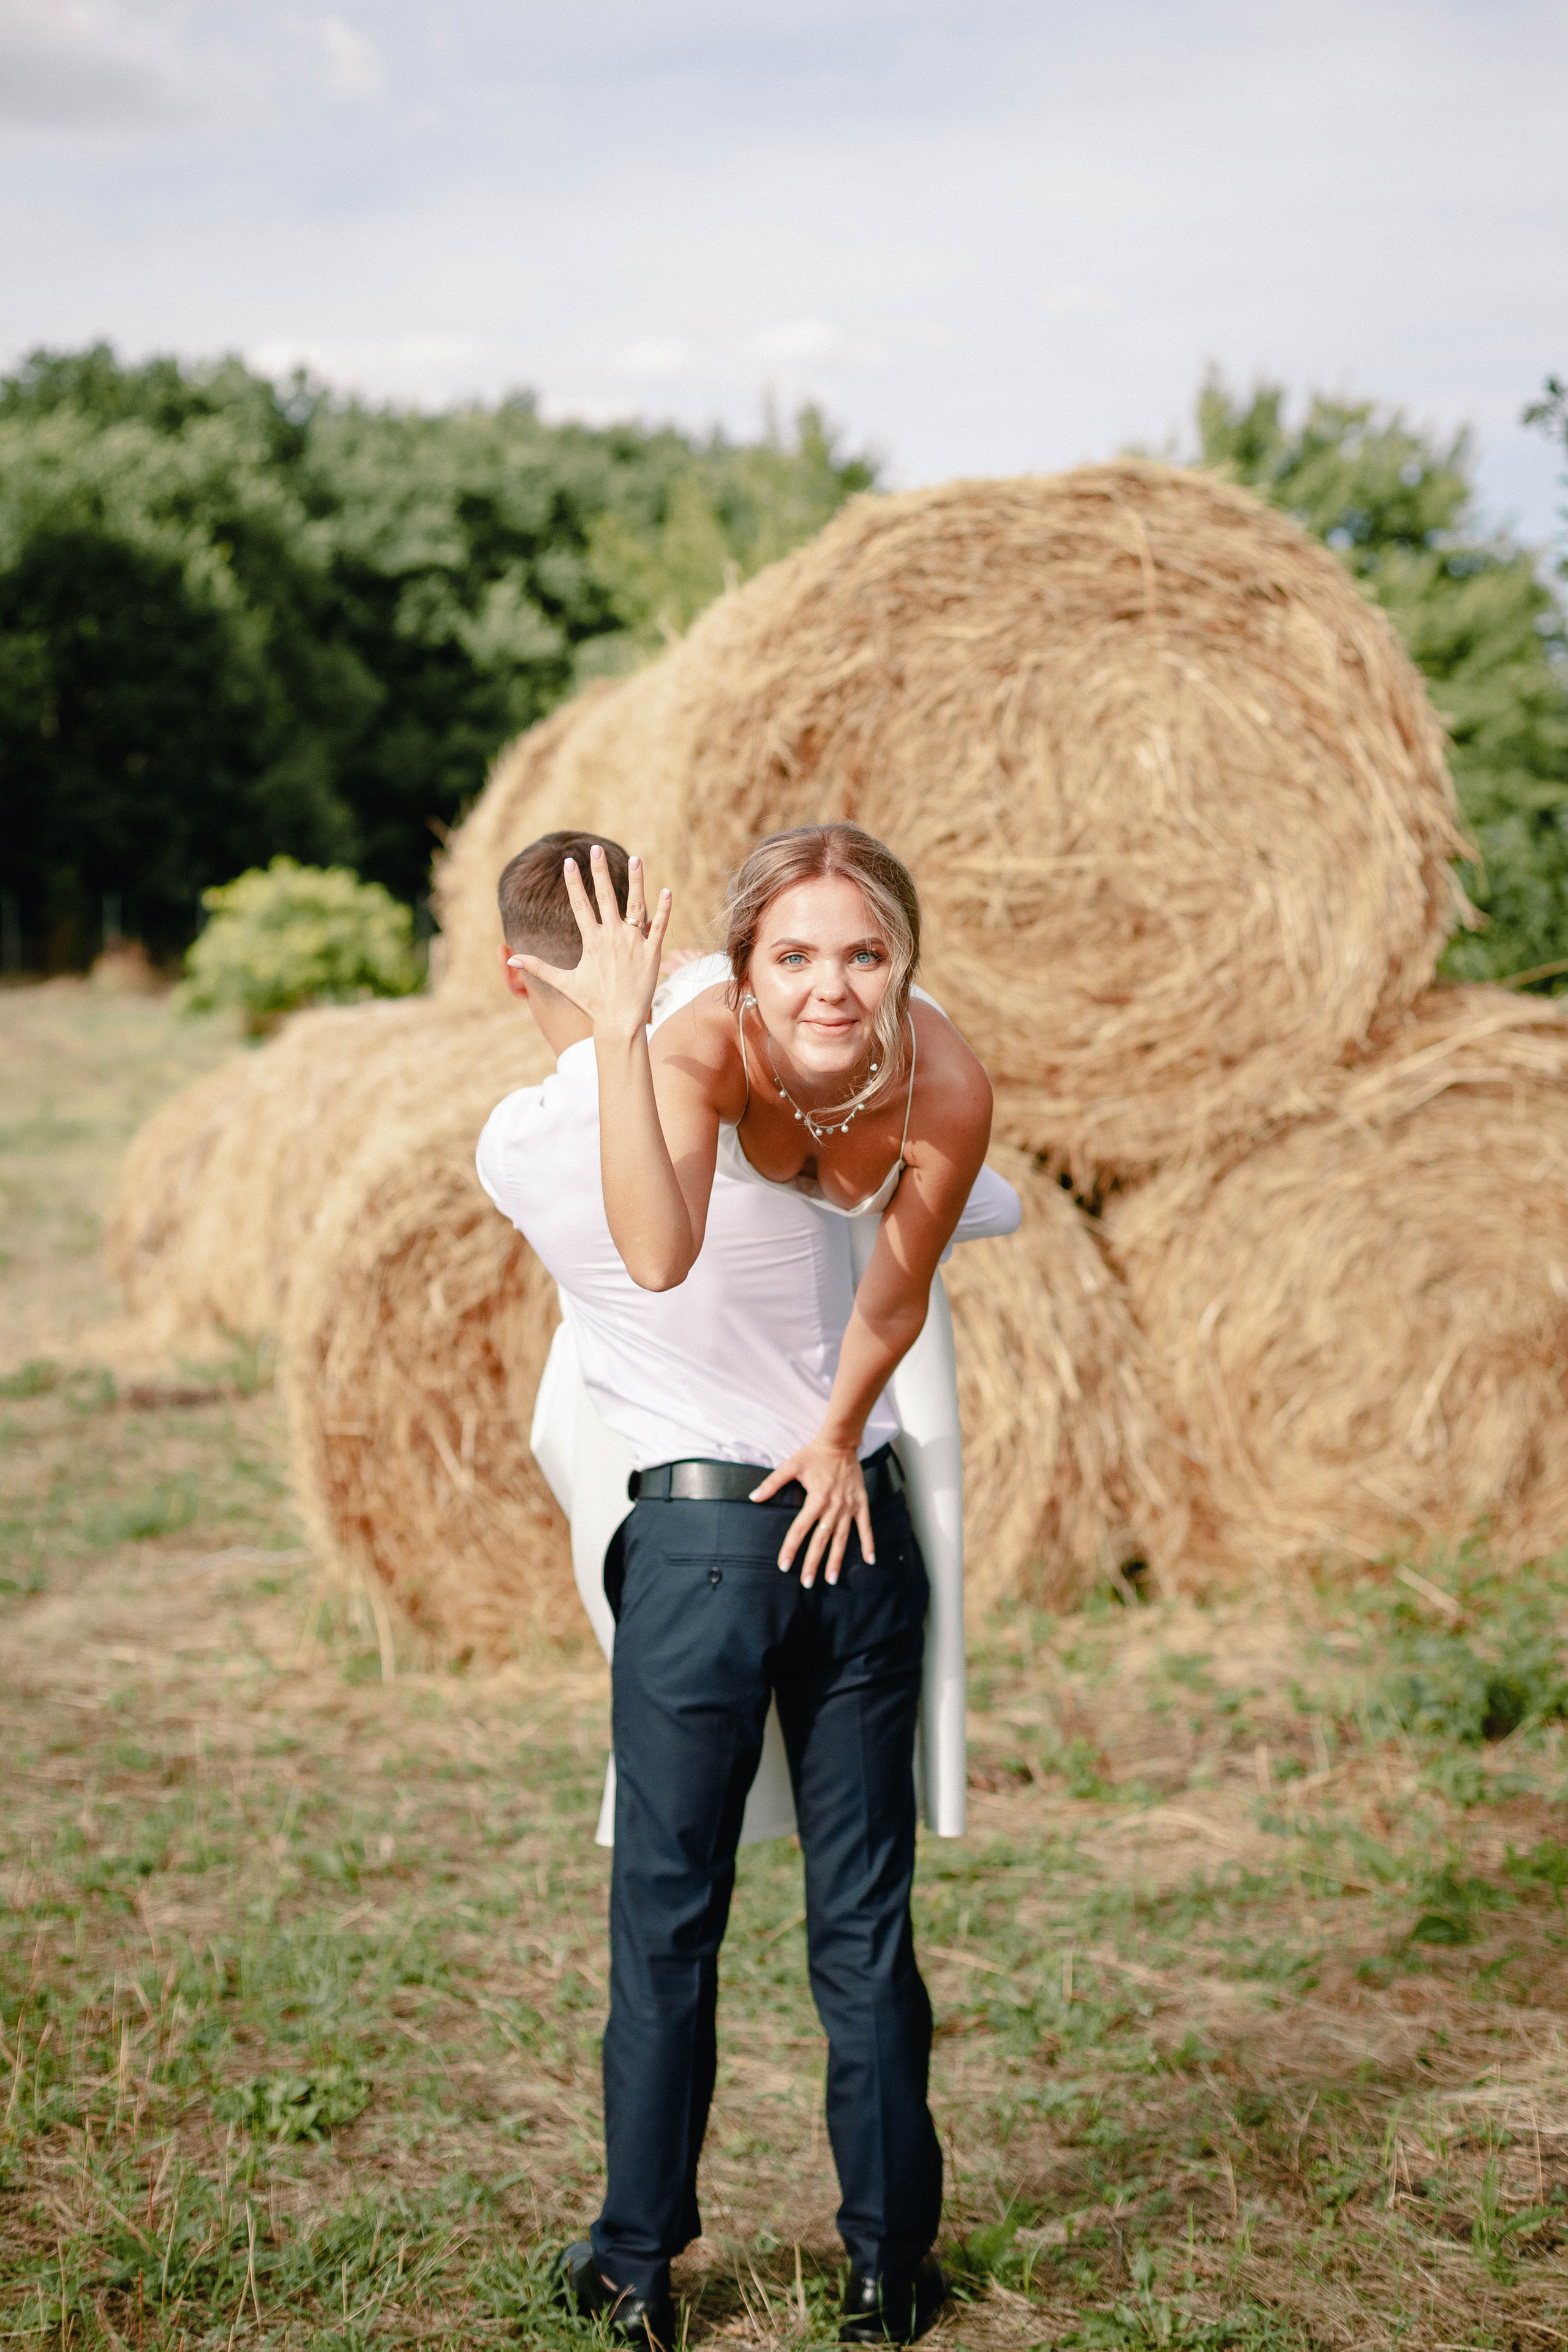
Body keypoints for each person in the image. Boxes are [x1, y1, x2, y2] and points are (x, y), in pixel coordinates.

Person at [484, 827, 1012, 2348]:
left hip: (741, 1537)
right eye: (794, 954)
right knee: (857, 1925)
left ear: (906, 955)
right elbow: (671, 1249)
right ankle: (868, 2265)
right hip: (842, 1531)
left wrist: (840, 1433)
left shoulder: (941, 1079)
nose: (833, 983)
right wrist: (624, 1036)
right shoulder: (691, 1049)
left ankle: (653, 2264)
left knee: (676, 1923)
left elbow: (888, 1282)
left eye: (863, 953)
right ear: (742, 961)